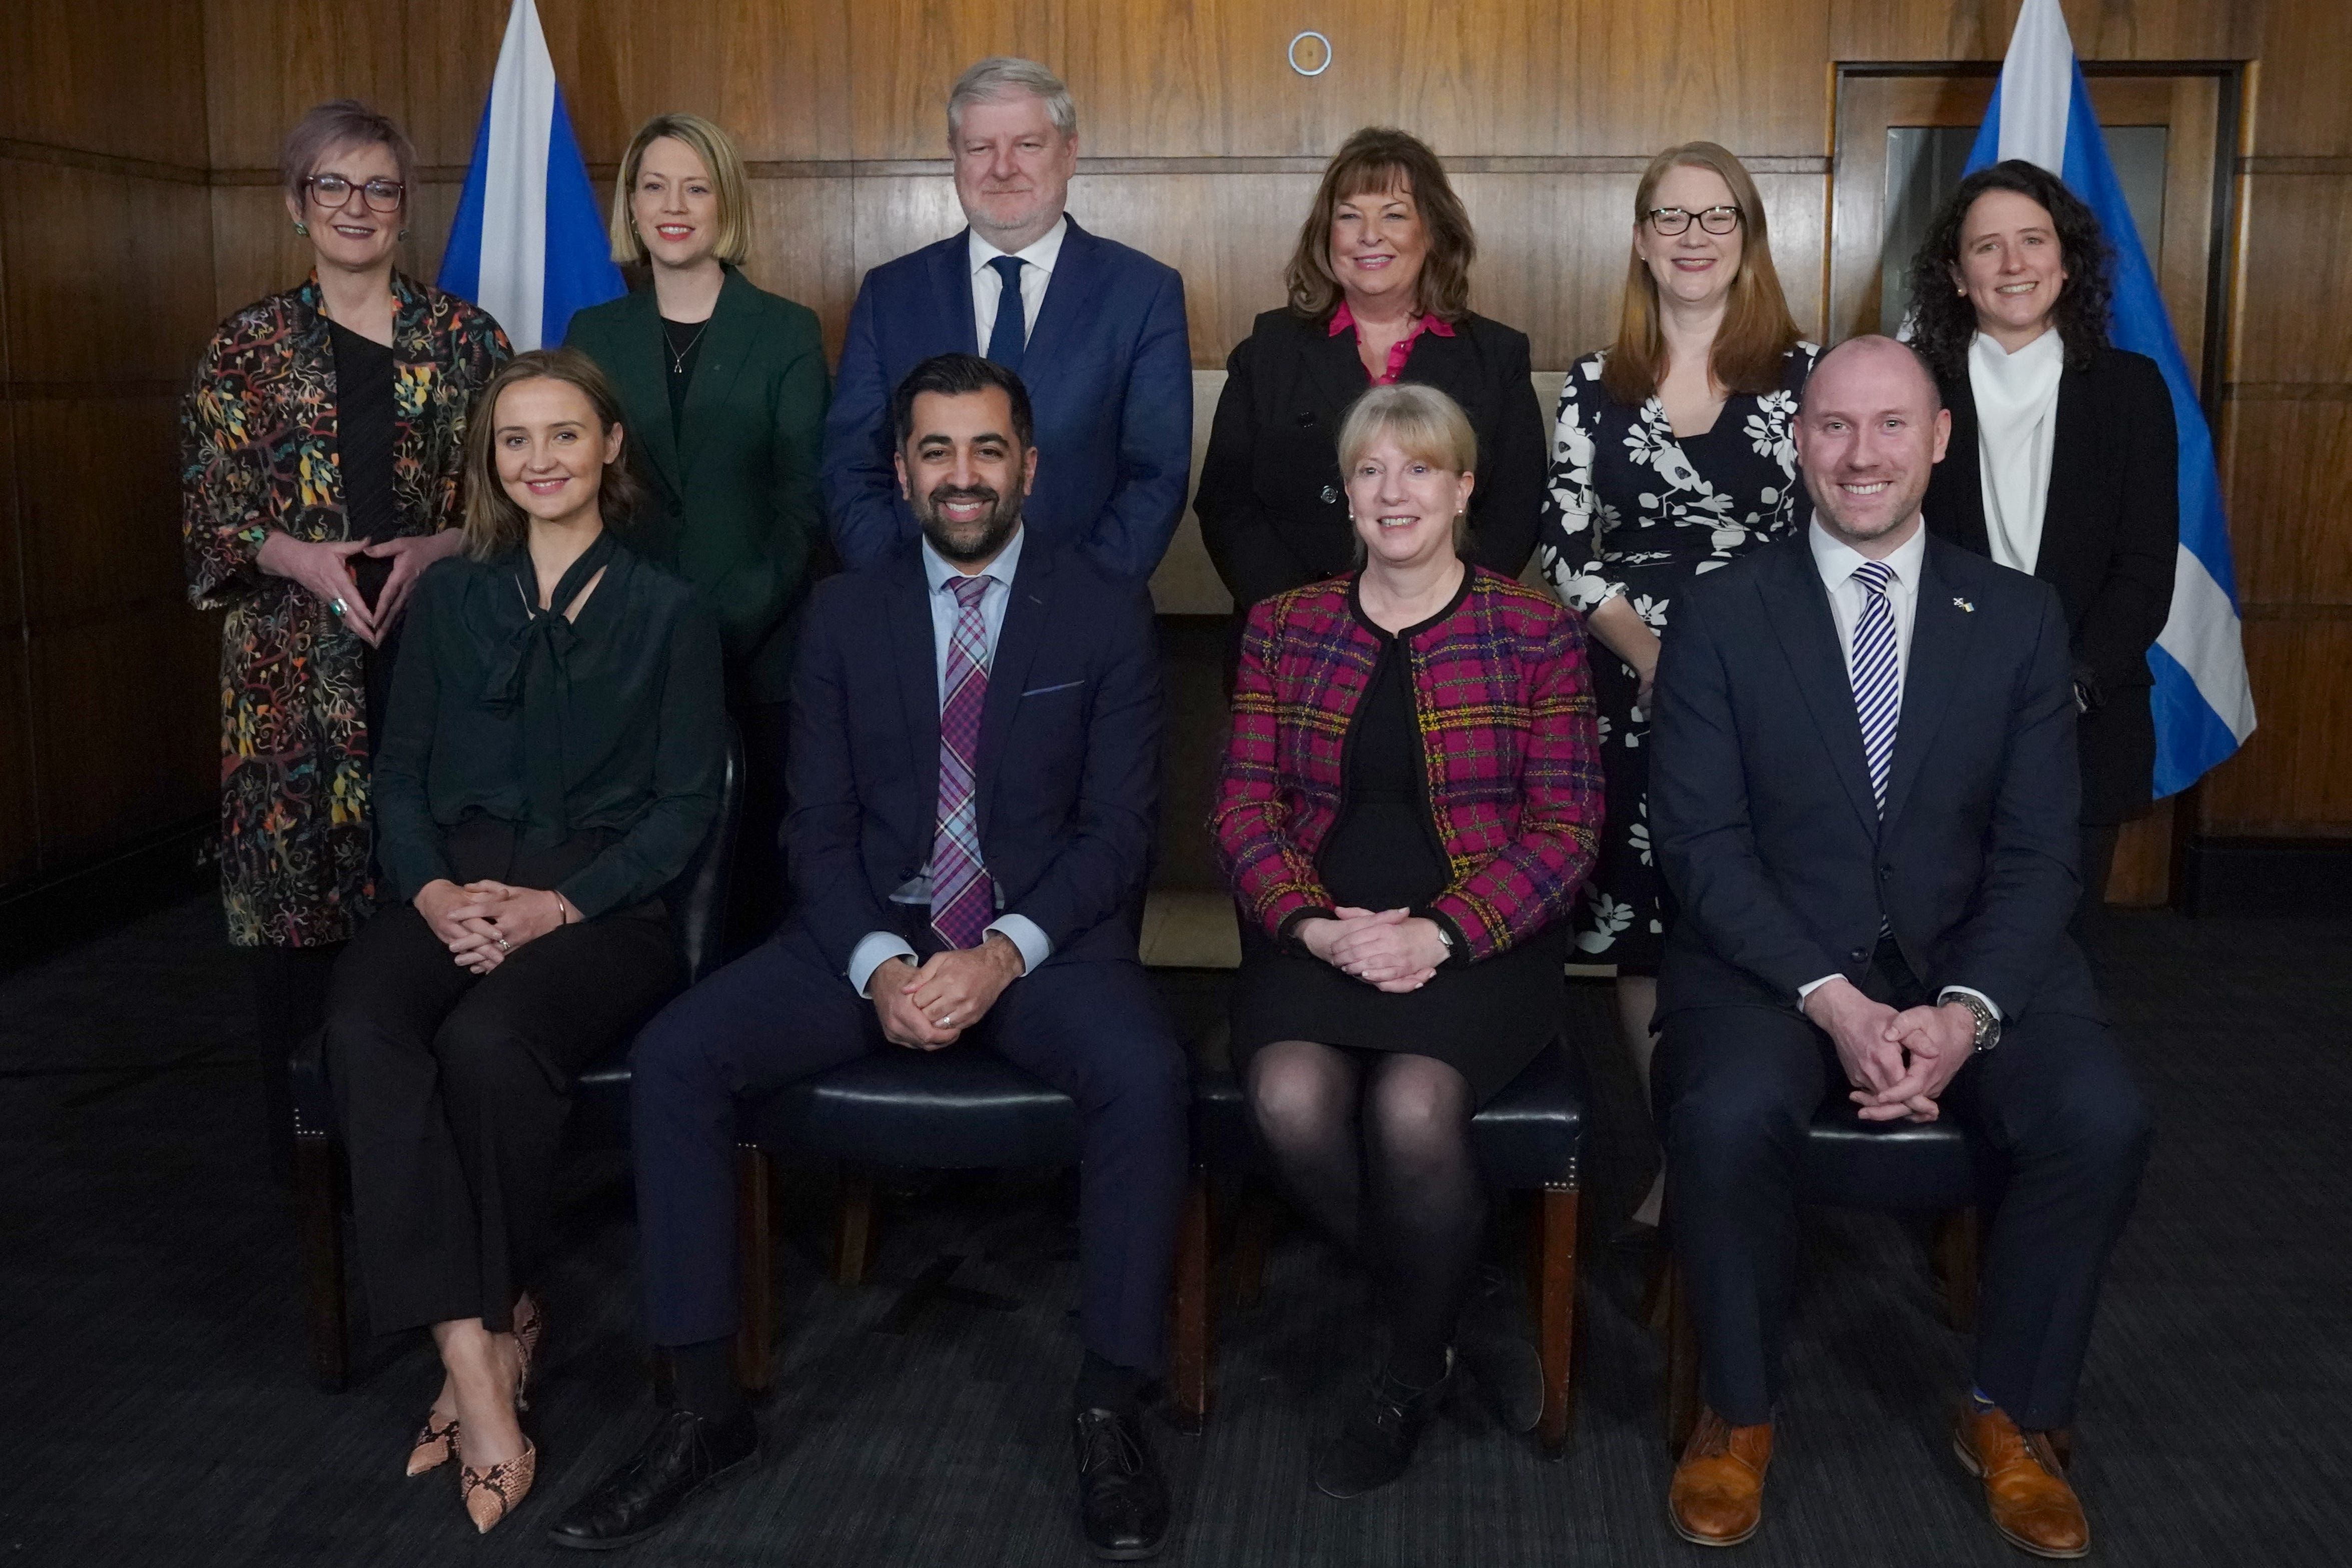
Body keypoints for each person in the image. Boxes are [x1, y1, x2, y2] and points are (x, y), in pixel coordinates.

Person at [552, 355, 1188, 1560]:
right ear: (899, 470)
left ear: (1029, 466)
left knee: (1145, 1078)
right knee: (679, 1053)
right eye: (935, 451)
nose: (961, 475)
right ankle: (700, 1409)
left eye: (986, 449)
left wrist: (998, 955)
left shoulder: (1101, 604)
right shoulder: (845, 611)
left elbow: (1118, 834)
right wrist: (882, 965)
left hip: (1042, 945)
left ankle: (1109, 1406)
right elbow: (816, 827)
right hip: (868, 934)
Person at [1646, 336, 2150, 1557]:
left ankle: (2015, 1415)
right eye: (1831, 426)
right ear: (1795, 440)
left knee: (2097, 1114)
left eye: (1887, 426)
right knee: (1722, 1114)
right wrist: (1831, 998)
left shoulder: (2018, 618)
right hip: (1774, 968)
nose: (1858, 454)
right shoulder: (1718, 611)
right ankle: (1738, 1410)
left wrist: (1965, 1010)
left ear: (1935, 440)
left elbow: (2040, 854)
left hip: (1972, 964)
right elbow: (1700, 842)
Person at [322, 348, 726, 1535]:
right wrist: (437, 892)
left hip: (600, 905)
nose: (539, 459)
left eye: (563, 434)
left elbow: (685, 809)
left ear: (609, 447)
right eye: (514, 439)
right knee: (361, 1021)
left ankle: (485, 1334)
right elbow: (398, 780)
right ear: (488, 463)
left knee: (493, 1040)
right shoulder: (449, 598)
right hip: (451, 883)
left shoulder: (670, 610)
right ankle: (481, 1349)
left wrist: (558, 905)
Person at [1212, 383, 1602, 1496]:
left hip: (1486, 938)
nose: (1394, 493)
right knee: (1286, 1098)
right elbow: (1242, 812)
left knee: (1411, 1105)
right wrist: (1317, 928)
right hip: (1318, 932)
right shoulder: (1286, 626)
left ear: (1463, 486)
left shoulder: (1532, 629)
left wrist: (1442, 931)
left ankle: (1408, 1361)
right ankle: (1445, 1282)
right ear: (1346, 491)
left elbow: (1568, 826)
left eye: (1419, 469)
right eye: (1372, 471)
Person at [180, 99, 508, 1179]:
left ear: (405, 209)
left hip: (434, 657)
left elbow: (521, 497)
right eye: (333, 185)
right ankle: (314, 1169)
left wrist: (437, 545)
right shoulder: (245, 347)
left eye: (379, 188)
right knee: (297, 909)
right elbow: (210, 510)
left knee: (430, 892)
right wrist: (298, 556)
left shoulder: (467, 340)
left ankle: (440, 1149)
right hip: (287, 672)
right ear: (295, 203)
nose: (356, 207)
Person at [1533, 140, 1817, 1234]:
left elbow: (1829, 529)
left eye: (1715, 218)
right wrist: (1654, 661)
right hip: (1623, 683)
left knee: (1755, 904)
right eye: (1670, 218)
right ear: (1641, 239)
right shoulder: (1597, 380)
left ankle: (1752, 1136)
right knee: (1640, 928)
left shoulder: (1803, 373)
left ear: (1746, 238)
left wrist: (1721, 672)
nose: (1692, 238)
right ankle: (1671, 1157)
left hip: (1774, 681)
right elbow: (1563, 543)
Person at [566, 112, 831, 947]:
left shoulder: (787, 330)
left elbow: (803, 499)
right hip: (625, 654)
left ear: (726, 203)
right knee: (640, 883)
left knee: (755, 885)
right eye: (653, 186)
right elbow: (575, 498)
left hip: (761, 654)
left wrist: (721, 623)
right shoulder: (592, 335)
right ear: (632, 207)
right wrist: (644, 628)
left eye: (695, 185)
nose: (672, 205)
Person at [1905, 159, 2178, 954]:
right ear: (1956, 274)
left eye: (2033, 240)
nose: (2014, 264)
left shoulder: (2132, 390)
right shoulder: (1917, 388)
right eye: (1987, 247)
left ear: (2067, 261)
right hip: (1938, 715)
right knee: (1936, 944)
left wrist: (2069, 684)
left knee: (2056, 954)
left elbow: (2144, 570)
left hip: (2085, 720)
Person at [823, 57, 1192, 580]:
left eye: (1027, 145)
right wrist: (900, 590)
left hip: (1081, 619)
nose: (1002, 167)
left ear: (1069, 153)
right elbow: (852, 466)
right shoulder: (890, 292)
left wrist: (1077, 602)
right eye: (980, 148)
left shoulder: (1143, 292)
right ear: (955, 156)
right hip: (911, 614)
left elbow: (1155, 477)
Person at [1195, 125, 1545, 674]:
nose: (1369, 235)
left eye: (1395, 214)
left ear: (1433, 232)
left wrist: (1439, 616)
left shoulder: (1496, 356)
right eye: (1349, 214)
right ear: (1326, 233)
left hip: (1453, 647)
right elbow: (1227, 506)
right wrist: (1304, 619)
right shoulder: (1268, 351)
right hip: (1290, 645)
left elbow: (1515, 511)